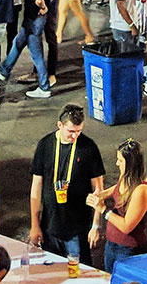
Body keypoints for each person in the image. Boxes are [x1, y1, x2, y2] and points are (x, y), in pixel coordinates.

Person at [30, 103, 106, 264]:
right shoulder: (45, 145)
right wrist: (34, 225)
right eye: (71, 131)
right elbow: (36, 189)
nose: (75, 136)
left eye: (79, 131)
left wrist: (95, 226)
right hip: (50, 226)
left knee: (78, 275)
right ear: (60, 125)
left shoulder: (89, 147)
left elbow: (98, 190)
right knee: (50, 273)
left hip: (78, 230)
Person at [89, 139, 147, 276]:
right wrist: (102, 194)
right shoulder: (126, 177)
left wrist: (103, 210)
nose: (117, 164)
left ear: (130, 164)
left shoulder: (141, 190)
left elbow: (126, 226)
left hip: (128, 250)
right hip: (111, 245)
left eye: (120, 160)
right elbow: (118, 188)